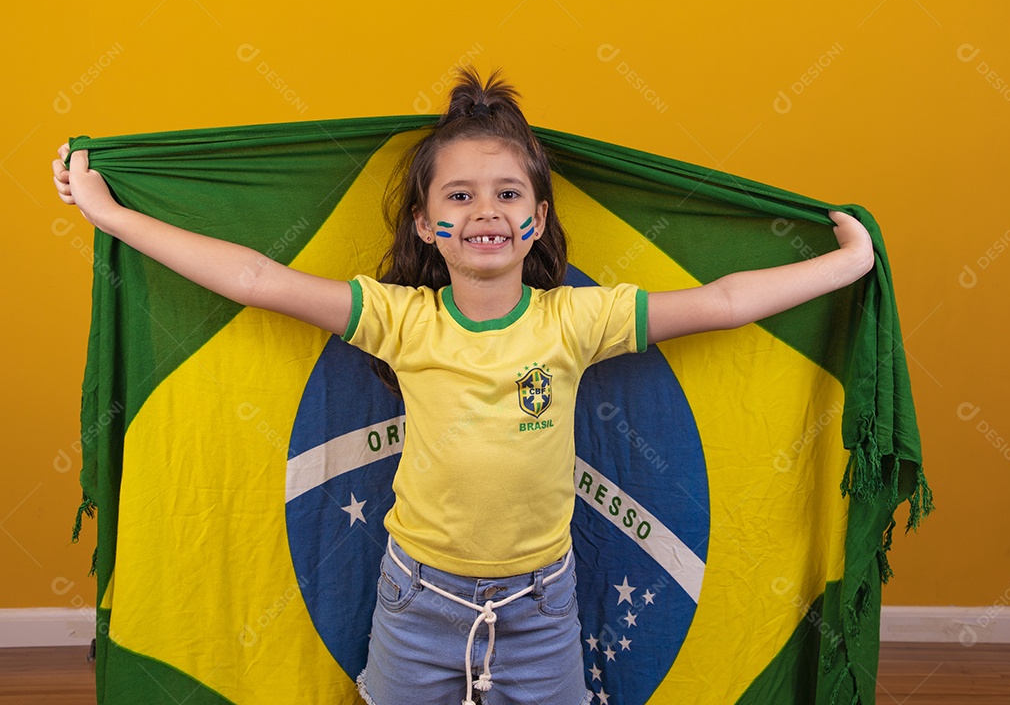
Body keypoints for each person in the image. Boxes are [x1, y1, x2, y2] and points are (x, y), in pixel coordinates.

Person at [52, 68, 874, 705]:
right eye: (460, 194)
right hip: (416, 600)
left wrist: (849, 263)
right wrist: (109, 212)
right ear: (423, 222)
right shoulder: (400, 319)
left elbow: (726, 302)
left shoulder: (576, 322)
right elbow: (256, 278)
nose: (486, 210)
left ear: (538, 218)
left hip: (546, 608)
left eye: (508, 193)